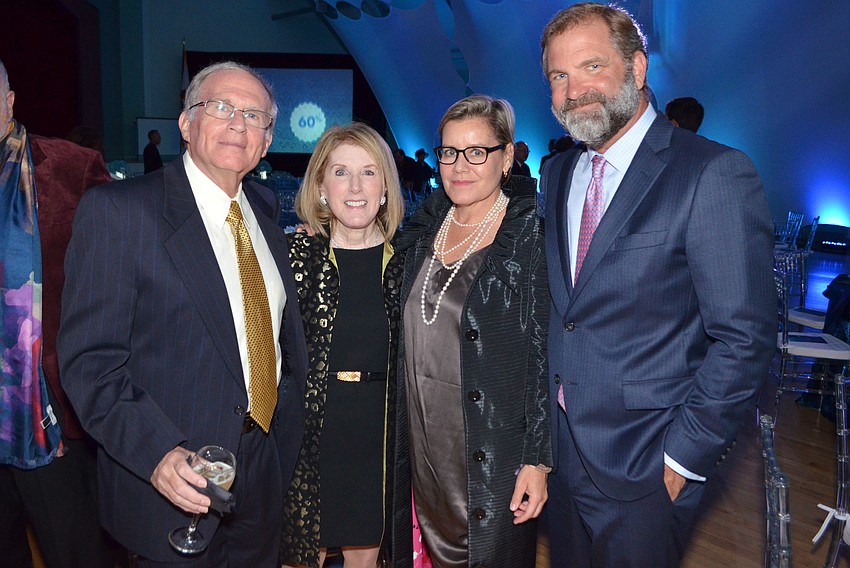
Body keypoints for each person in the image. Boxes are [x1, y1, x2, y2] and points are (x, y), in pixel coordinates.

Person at [539, 4, 775, 567]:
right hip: (559, 458)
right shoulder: (559, 173)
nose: (574, 90)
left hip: (646, 464)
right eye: (558, 75)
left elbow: (743, 338)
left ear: (638, 67)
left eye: (592, 66)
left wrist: (680, 460)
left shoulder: (712, 173)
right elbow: (566, 311)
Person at [58, 61, 309, 566]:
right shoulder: (120, 212)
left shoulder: (265, 212)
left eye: (254, 116)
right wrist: (157, 452)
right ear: (186, 123)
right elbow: (90, 364)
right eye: (220, 107)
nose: (237, 123)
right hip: (174, 481)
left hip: (262, 475)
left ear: (266, 142)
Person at [391, 95, 552, 568]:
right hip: (424, 445)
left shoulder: (528, 235)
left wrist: (538, 461)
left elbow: (543, 354)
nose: (460, 166)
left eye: (477, 152)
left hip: (492, 454)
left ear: (506, 157)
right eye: (449, 152)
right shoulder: (426, 226)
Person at [0, 58, 115, 568]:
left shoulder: (71, 167)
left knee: (75, 552)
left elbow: (119, 274)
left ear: (9, 100)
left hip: (46, 412)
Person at [280, 122, 405, 568]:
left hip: (378, 439)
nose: (355, 187)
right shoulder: (292, 257)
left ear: (385, 189)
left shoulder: (408, 264)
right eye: (340, 172)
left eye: (369, 172)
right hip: (308, 437)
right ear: (320, 187)